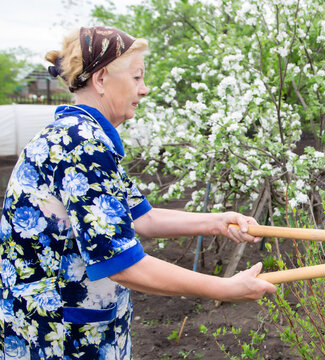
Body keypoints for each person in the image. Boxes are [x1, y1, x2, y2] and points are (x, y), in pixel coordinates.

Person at [0, 26, 276, 359]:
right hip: (58, 341)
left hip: (76, 330)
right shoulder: (80, 147)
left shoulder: (83, 137)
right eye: (137, 78)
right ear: (101, 79)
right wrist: (225, 287)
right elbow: (123, 264)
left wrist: (218, 222)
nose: (144, 90)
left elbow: (142, 217)